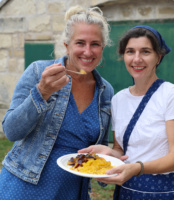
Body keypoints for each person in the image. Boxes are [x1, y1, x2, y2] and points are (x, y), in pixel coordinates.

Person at [0, 5, 113, 200]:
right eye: (80, 43)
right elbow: (11, 131)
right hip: (24, 188)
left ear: (102, 48)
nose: (87, 51)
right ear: (67, 45)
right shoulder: (39, 72)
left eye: (95, 44)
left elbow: (100, 146)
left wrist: (108, 162)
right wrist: (42, 92)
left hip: (71, 192)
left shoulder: (105, 91)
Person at [79, 25, 174, 199]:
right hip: (127, 191)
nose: (136, 59)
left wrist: (137, 168)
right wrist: (107, 152)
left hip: (163, 191)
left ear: (158, 57)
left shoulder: (171, 95)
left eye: (145, 52)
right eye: (130, 52)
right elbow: (120, 149)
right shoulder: (118, 100)